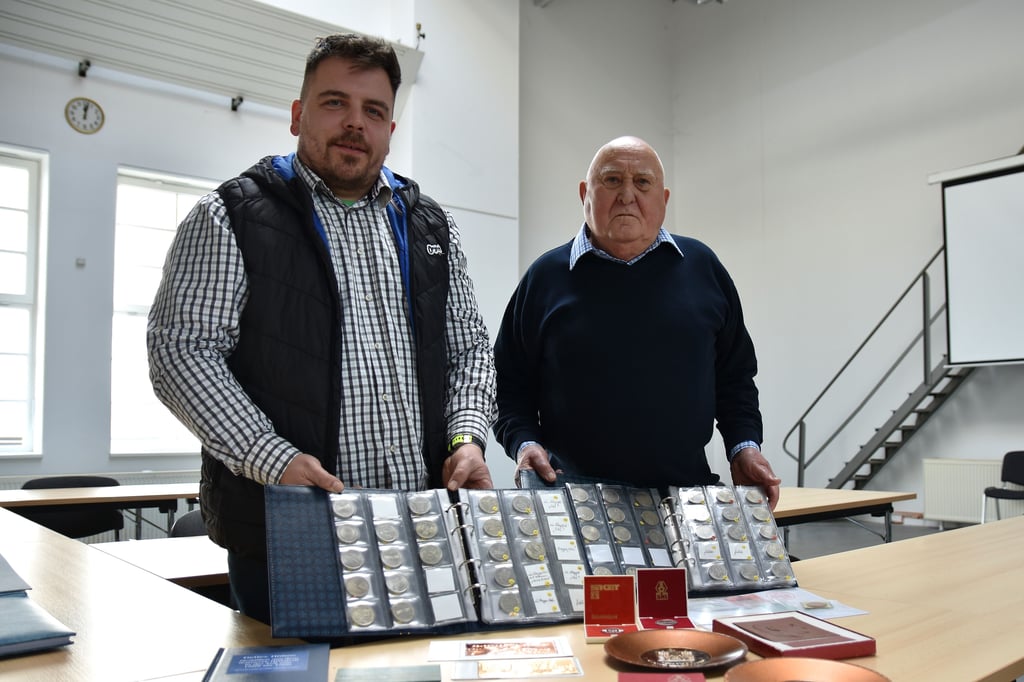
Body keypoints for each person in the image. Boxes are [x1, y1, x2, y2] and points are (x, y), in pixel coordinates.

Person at [147, 34, 496, 623]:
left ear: (390, 129)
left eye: (374, 111)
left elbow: (468, 350)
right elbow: (181, 354)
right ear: (297, 115)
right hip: (291, 531)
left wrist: (466, 437)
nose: (355, 123)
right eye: (335, 103)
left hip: (426, 529)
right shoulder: (229, 216)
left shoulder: (432, 227)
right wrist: (271, 458)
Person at [493, 135, 780, 508]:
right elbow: (507, 384)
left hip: (686, 499)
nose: (627, 195)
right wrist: (524, 443)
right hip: (574, 501)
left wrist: (744, 447)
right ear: (585, 193)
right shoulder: (545, 278)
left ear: (664, 199)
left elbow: (734, 378)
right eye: (612, 180)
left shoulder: (703, 268)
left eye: (642, 182)